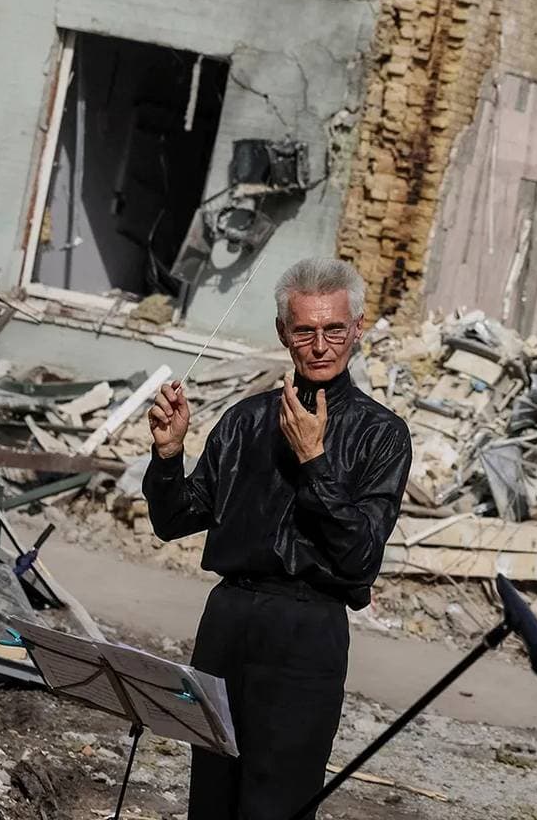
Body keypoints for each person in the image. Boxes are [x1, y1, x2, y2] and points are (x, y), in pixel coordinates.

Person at [143, 258, 413, 820]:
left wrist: (315, 461)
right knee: (212, 795)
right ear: (283, 334)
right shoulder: (245, 420)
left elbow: (361, 556)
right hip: (228, 621)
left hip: (306, 631)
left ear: (357, 328)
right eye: (305, 330)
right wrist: (168, 456)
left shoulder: (382, 434)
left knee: (279, 800)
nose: (320, 345)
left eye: (334, 329)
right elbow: (175, 519)